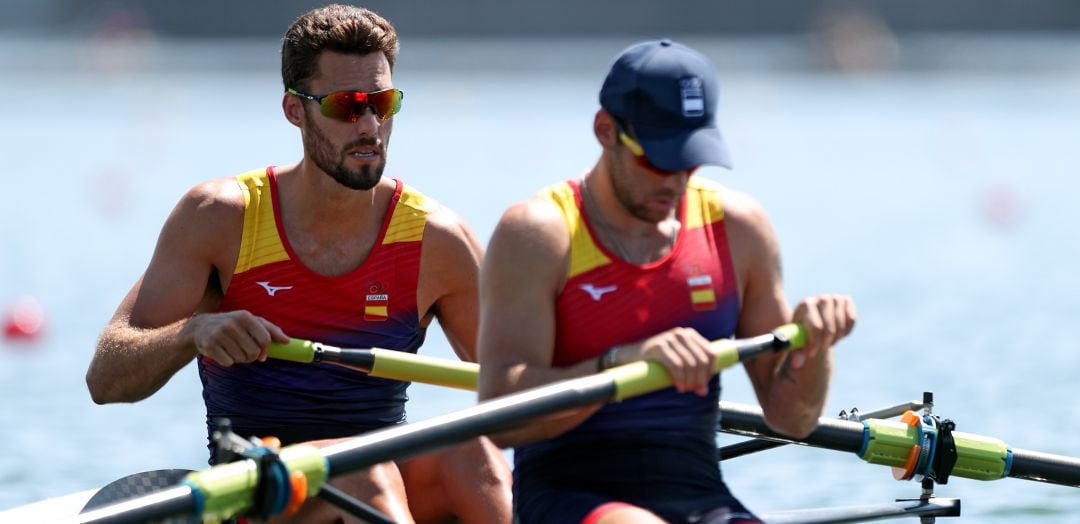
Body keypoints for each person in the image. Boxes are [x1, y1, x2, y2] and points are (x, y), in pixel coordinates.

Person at [86, 5, 512, 523]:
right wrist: (191, 332)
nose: (371, 125)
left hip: (385, 484)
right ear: (295, 109)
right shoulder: (220, 218)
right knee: (365, 474)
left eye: (383, 102)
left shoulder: (439, 241)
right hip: (259, 491)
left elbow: (523, 394)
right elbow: (106, 379)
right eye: (347, 106)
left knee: (477, 454)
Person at [476, 39, 857, 524]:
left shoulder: (738, 228)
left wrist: (816, 347)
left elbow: (793, 419)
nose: (675, 183)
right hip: (569, 495)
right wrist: (622, 364)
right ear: (605, 130)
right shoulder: (538, 233)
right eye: (657, 160)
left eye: (689, 161)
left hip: (700, 494)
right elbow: (501, 414)